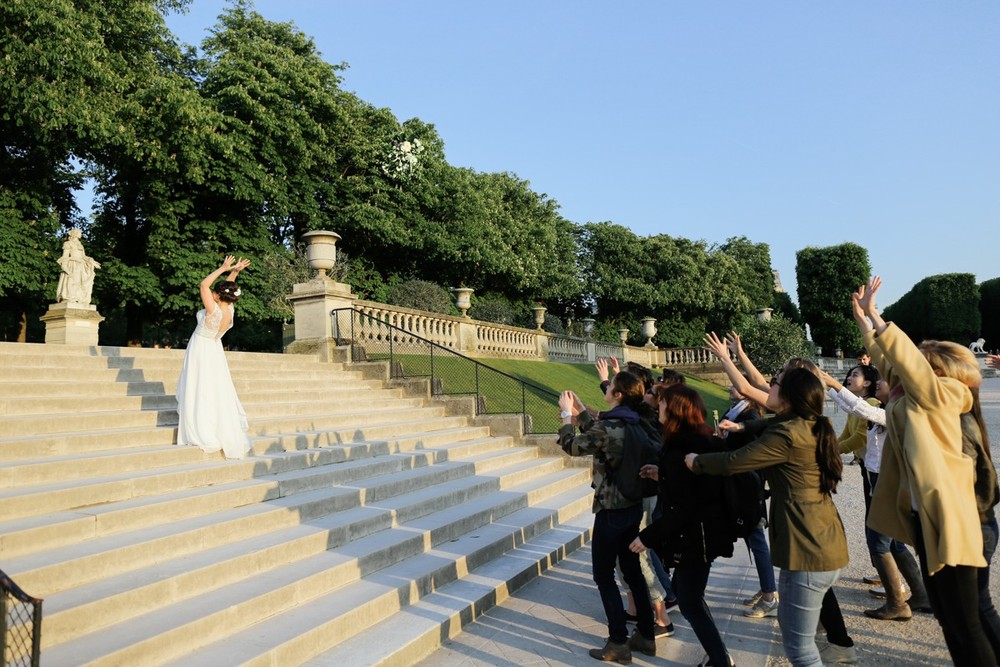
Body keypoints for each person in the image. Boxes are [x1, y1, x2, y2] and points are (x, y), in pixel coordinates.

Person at [859, 276, 997, 666]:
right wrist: (866, 323)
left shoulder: (950, 394)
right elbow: (892, 363)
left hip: (960, 520)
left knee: (967, 621)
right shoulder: (917, 399)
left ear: (936, 369)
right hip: (934, 519)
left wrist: (878, 318)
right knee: (951, 618)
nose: (901, 371)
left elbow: (909, 370)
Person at [704, 332, 857, 664]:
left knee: (800, 649)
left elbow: (733, 461)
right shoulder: (809, 423)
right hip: (819, 541)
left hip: (808, 544)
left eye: (777, 380)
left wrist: (694, 461)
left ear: (790, 394)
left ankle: (841, 647)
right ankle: (841, 647)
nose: (769, 383)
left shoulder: (788, 433)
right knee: (805, 640)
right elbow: (759, 400)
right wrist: (744, 427)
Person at [630, 383, 736, 667]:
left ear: (675, 410)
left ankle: (720, 660)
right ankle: (719, 656)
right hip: (703, 533)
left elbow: (685, 508)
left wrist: (647, 536)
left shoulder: (681, 450)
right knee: (691, 597)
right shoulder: (694, 442)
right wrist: (661, 474)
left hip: (697, 538)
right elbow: (689, 490)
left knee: (689, 602)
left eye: (663, 404)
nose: (658, 407)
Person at [557, 371, 657, 663]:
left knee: (603, 575)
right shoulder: (636, 421)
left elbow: (573, 446)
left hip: (611, 509)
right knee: (633, 570)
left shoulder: (613, 424)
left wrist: (566, 417)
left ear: (619, 394)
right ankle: (646, 635)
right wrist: (580, 412)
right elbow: (602, 434)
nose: (608, 387)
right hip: (632, 505)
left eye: (611, 385)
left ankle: (617, 642)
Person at [819, 367, 932, 621]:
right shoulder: (887, 410)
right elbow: (854, 409)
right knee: (892, 542)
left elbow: (862, 410)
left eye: (884, 381)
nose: (879, 383)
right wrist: (831, 387)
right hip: (878, 480)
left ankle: (897, 603)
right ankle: (920, 593)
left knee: (878, 541)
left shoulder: (894, 413)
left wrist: (835, 386)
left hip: (886, 483)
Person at [176, 256, 253, 460]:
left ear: (218, 296)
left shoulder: (212, 309)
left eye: (214, 293)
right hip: (214, 349)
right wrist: (235, 272)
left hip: (201, 347)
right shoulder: (230, 310)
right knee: (212, 387)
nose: (211, 293)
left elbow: (203, 284)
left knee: (198, 385)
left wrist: (223, 268)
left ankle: (200, 426)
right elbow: (226, 288)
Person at [722, 376, 778, 620]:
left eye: (735, 384)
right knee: (753, 540)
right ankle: (767, 588)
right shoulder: (735, 412)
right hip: (739, 483)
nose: (730, 387)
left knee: (756, 538)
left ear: (746, 392)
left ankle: (769, 596)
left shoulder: (751, 418)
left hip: (749, 486)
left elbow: (753, 454)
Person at [55, 228, 101, 304]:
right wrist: (65, 266)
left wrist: (92, 261)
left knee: (80, 282)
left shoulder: (80, 245)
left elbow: (83, 256)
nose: (81, 234)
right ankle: (70, 298)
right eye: (80, 233)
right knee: (72, 281)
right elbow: (65, 256)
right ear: (75, 234)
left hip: (81, 265)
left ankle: (78, 298)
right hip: (72, 265)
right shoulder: (68, 243)